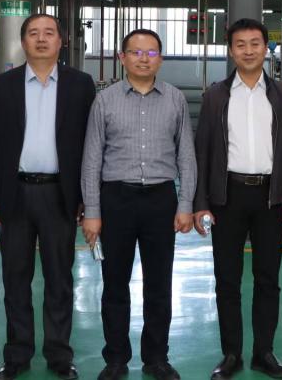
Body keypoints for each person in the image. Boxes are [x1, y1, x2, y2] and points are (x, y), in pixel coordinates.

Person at [0, 14, 96, 380]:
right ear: (23, 41)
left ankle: (59, 355)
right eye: (33, 33)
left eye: (49, 33)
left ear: (61, 41)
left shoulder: (80, 85)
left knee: (60, 280)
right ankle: (17, 355)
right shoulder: (4, 86)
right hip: (15, 194)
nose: (41, 39)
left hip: (60, 195)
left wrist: (87, 197)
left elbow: (92, 145)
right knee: (15, 279)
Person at [193, 18, 282, 380]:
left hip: (271, 198)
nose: (248, 50)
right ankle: (231, 354)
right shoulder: (216, 96)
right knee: (227, 279)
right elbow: (202, 152)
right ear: (231, 51)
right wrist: (201, 203)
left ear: (265, 48)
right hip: (226, 195)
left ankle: (263, 353)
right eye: (240, 44)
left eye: (255, 43)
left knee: (268, 278)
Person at [81, 28, 196, 380]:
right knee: (114, 284)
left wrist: (185, 203)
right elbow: (92, 159)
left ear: (160, 58)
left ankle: (156, 357)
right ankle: (116, 359)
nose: (144, 59)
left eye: (151, 53)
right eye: (136, 52)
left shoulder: (175, 99)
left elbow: (186, 155)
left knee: (159, 284)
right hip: (116, 199)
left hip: (161, 199)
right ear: (123, 57)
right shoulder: (105, 101)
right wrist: (92, 212)